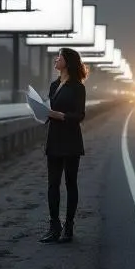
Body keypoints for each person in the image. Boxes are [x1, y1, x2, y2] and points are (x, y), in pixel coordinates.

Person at [40, 47, 88, 243]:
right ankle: (54, 226)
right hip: (54, 138)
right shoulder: (54, 85)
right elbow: (50, 111)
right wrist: (41, 112)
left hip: (71, 139)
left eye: (58, 57)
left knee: (70, 184)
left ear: (67, 62)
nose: (55, 60)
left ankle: (69, 226)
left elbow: (80, 115)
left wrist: (59, 116)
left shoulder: (78, 87)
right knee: (52, 184)